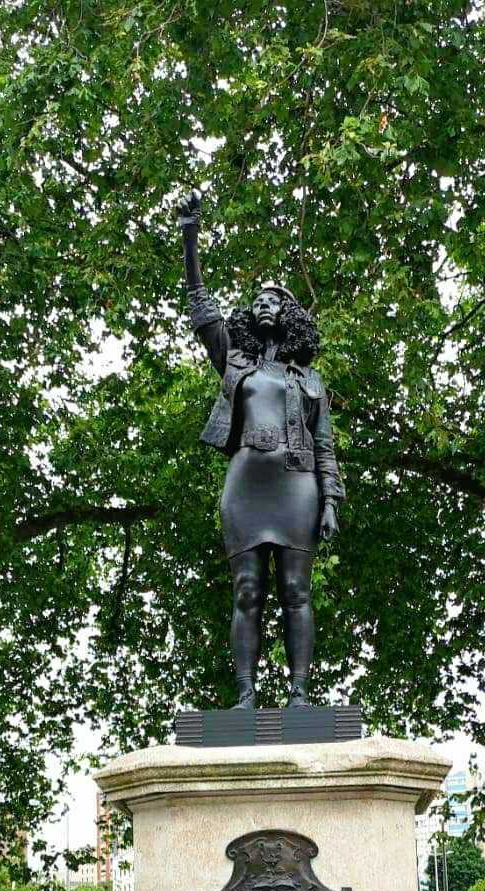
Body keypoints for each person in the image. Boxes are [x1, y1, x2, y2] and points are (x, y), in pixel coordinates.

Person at [177, 190, 345, 709]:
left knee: (296, 593)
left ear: (290, 314)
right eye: (258, 301)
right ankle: (246, 696)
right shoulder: (235, 362)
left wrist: (332, 500)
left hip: (297, 485)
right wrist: (189, 235)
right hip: (247, 483)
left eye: (275, 299)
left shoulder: (310, 379)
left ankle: (299, 695)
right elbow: (201, 308)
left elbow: (324, 445)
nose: (265, 304)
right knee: (247, 591)